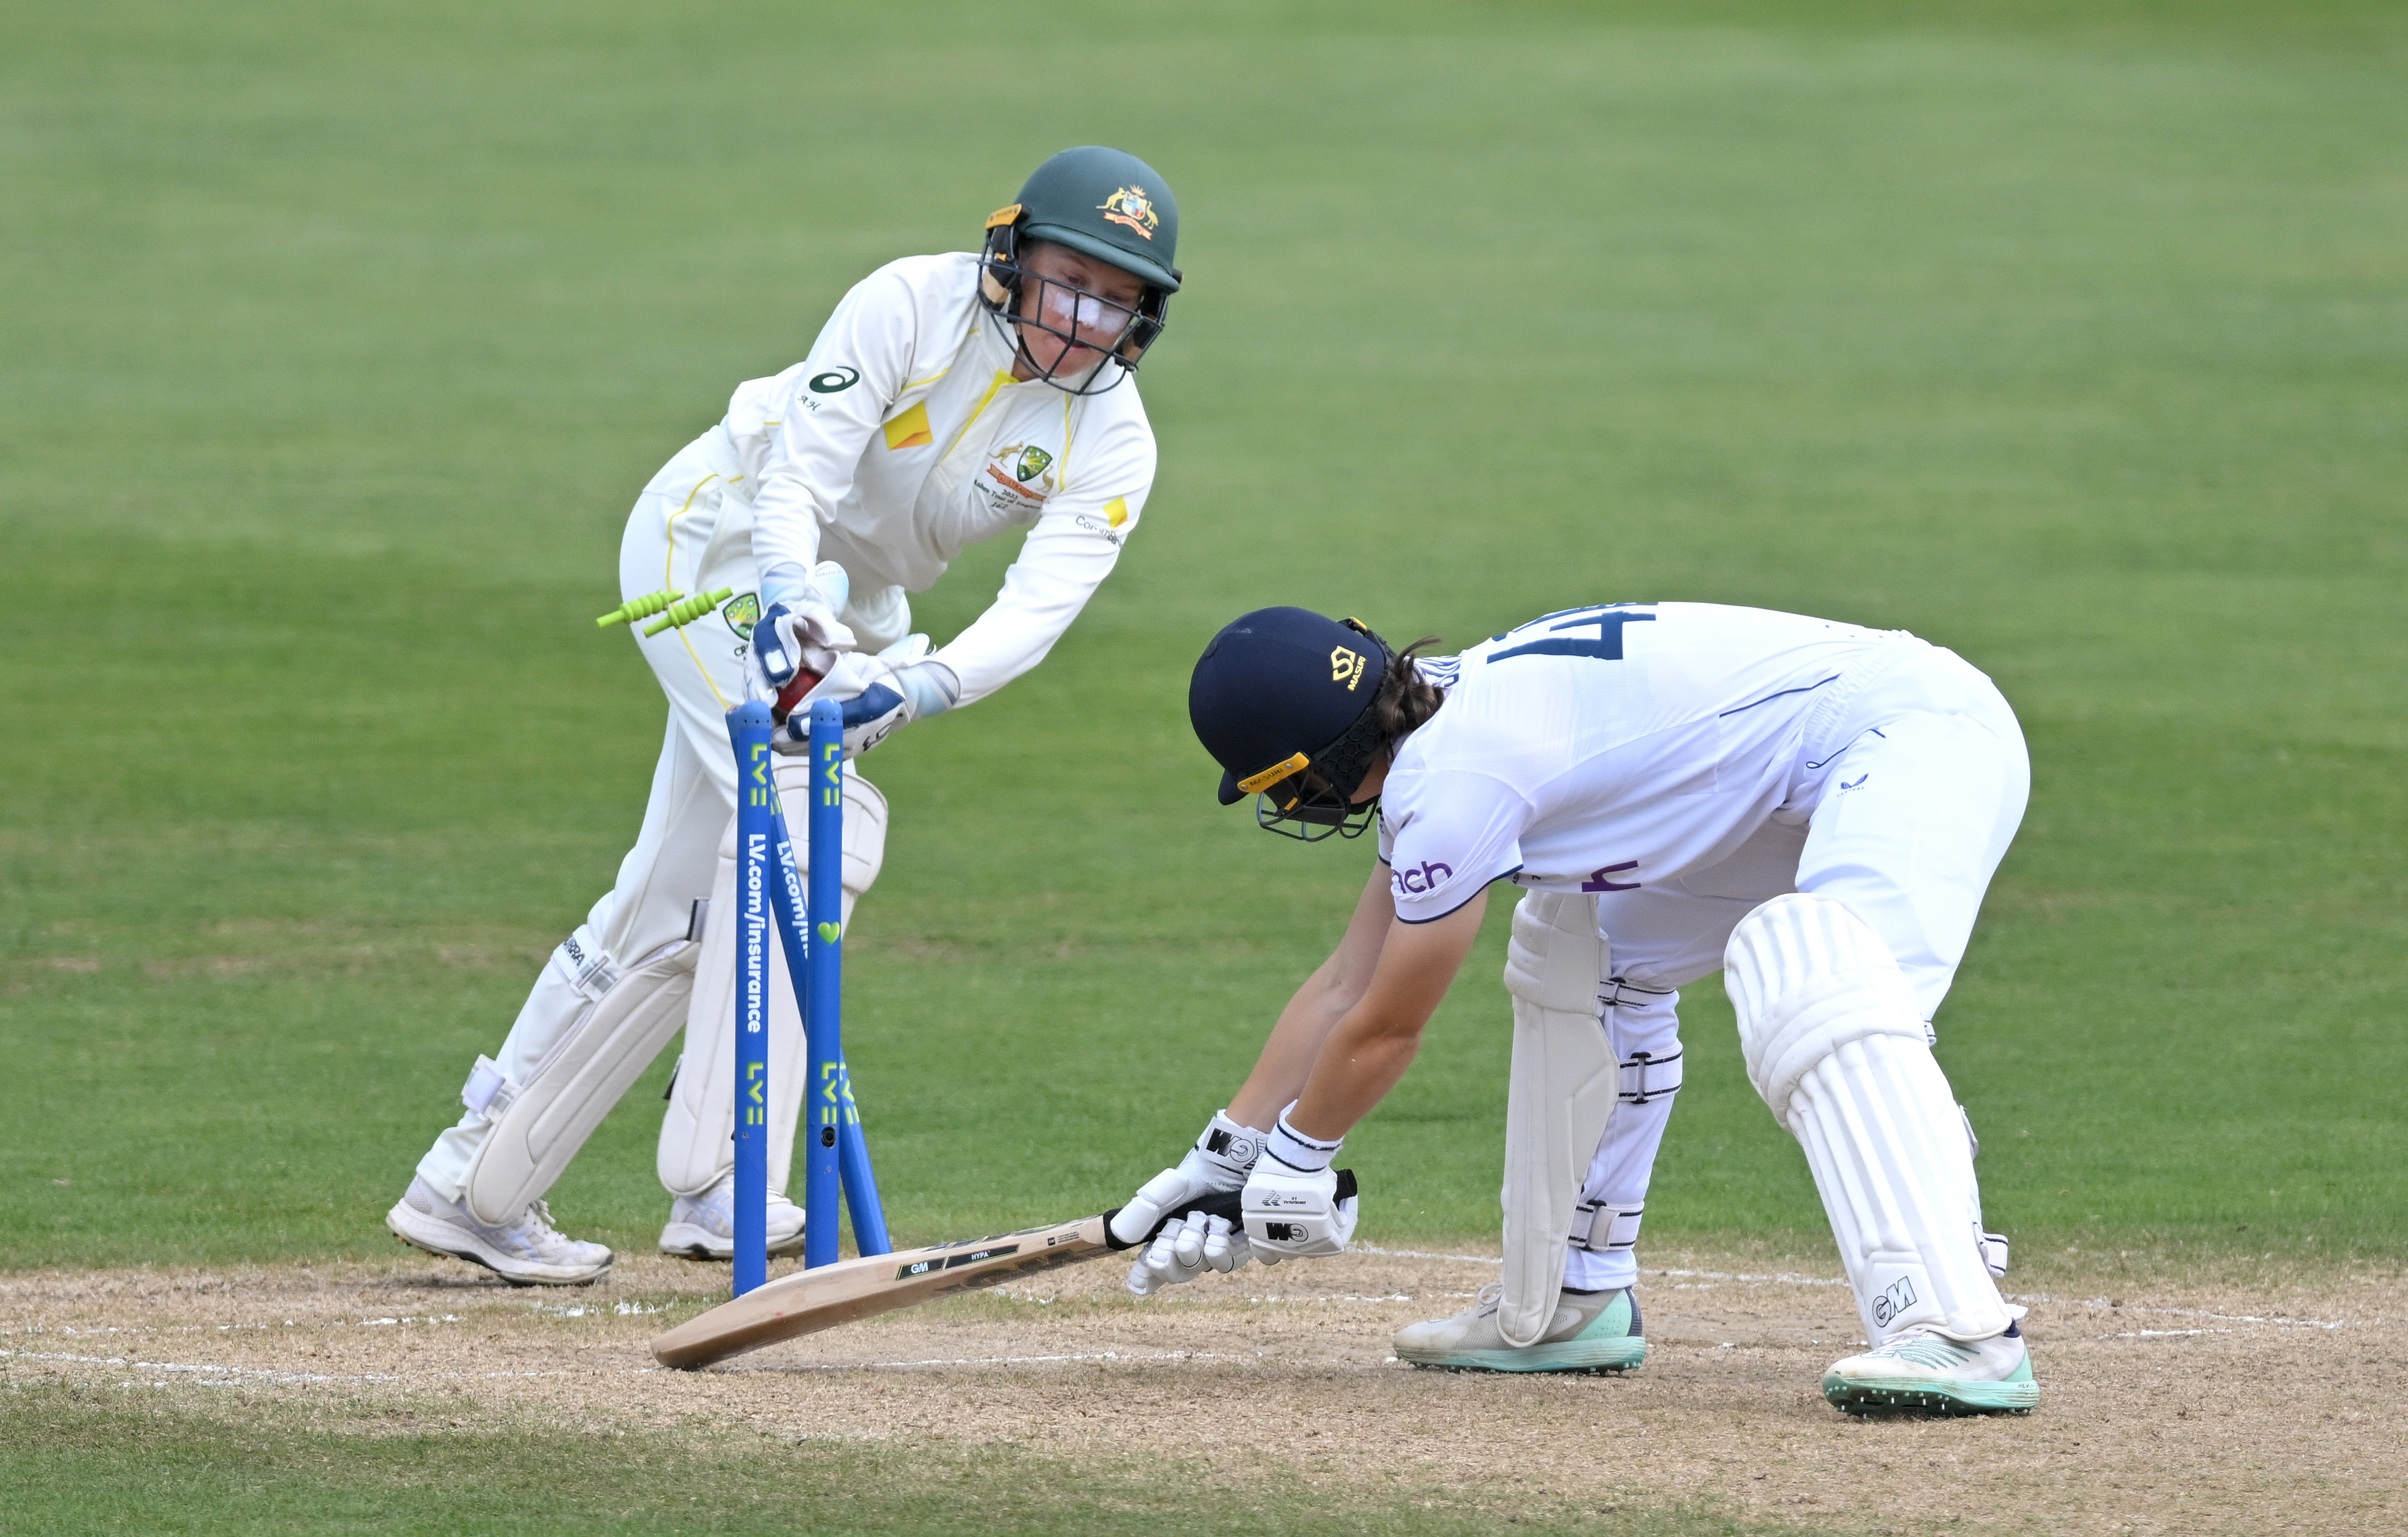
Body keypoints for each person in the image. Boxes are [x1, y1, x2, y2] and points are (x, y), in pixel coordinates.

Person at [386, 146, 1184, 1284]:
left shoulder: (1114, 438)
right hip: (714, 545)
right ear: (1010, 259)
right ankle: (717, 1178)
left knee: (667, 894)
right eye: (1069, 280)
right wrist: (783, 601)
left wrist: (918, 682)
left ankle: (471, 1180)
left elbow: (1039, 606)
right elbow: (799, 475)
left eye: (1116, 300)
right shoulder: (912, 302)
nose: (1084, 318)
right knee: (823, 820)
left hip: (853, 605)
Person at [1113, 601, 2036, 1415]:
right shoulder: (1429, 714)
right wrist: (1226, 1153)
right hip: (1795, 773)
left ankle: (1957, 1327)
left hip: (1914, 738)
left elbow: (1389, 1021)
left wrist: (1300, 1157)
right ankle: (1575, 1295)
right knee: (1585, 950)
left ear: (1313, 765)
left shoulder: (1454, 785)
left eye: (1279, 784)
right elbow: (1346, 982)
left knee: (1822, 979)